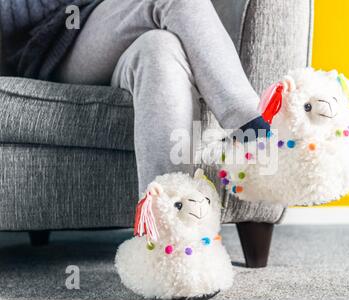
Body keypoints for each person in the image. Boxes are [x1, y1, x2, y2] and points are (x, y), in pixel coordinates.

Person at [0, 0, 270, 193]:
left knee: (159, 50)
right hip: (56, 44)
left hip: (122, 23)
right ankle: (255, 134)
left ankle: (167, 225)